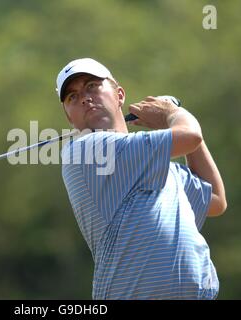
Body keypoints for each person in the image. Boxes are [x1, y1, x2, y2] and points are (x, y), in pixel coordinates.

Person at [56, 58, 227, 299]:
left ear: (119, 94)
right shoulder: (84, 151)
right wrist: (173, 114)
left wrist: (173, 120)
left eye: (92, 86)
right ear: (69, 118)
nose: (84, 97)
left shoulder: (161, 167)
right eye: (72, 97)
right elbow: (189, 135)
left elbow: (216, 200)